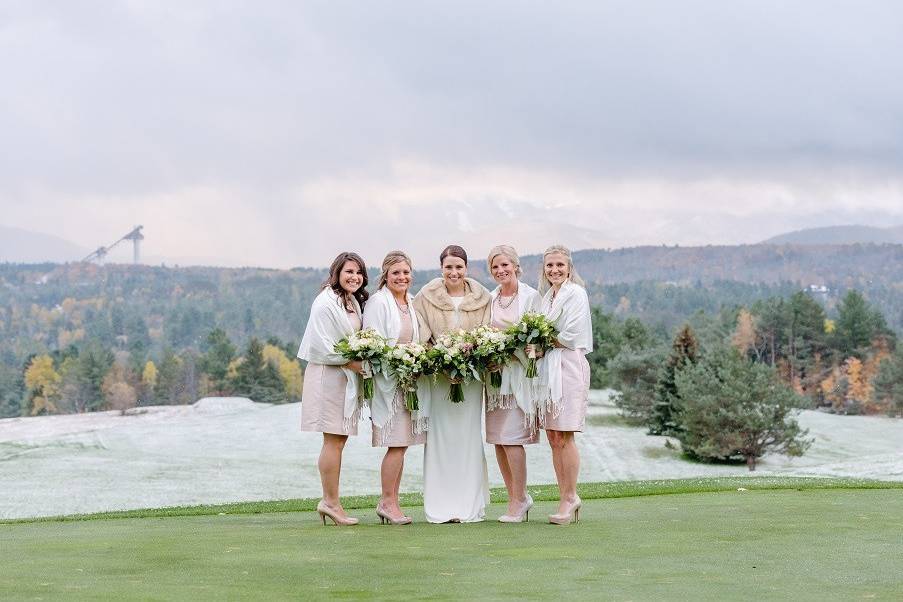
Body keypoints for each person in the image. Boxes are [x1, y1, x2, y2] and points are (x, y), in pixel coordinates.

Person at [412, 244, 491, 523]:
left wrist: (469, 357)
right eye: (449, 267)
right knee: (440, 437)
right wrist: (439, 359)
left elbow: (487, 334)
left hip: (470, 380)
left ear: (466, 268)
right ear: (441, 268)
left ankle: (469, 504)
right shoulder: (425, 296)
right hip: (439, 378)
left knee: (468, 436)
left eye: (459, 267)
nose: (454, 272)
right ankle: (440, 505)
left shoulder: (483, 298)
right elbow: (420, 333)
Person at [298, 252, 370, 526]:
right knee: (333, 440)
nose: (354, 277)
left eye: (359, 272)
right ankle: (330, 502)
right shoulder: (325, 303)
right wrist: (355, 363)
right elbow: (322, 347)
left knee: (339, 439)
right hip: (328, 377)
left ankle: (332, 501)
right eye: (348, 271)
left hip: (343, 376)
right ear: (336, 273)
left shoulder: (350, 301)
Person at [362, 251, 430, 525]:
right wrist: (399, 361)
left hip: (409, 382)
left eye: (406, 272)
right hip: (389, 383)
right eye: (396, 273)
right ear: (386, 276)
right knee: (397, 443)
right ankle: (387, 502)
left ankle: (391, 501)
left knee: (403, 444)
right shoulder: (379, 302)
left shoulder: (411, 303)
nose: (402, 277)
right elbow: (375, 344)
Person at [535, 245, 593, 525]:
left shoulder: (576, 294)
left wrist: (541, 340)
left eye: (560, 265)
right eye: (549, 266)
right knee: (553, 437)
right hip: (549, 369)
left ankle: (570, 497)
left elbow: (570, 334)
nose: (555, 270)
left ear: (569, 268)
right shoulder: (546, 298)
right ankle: (565, 496)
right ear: (544, 270)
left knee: (566, 435)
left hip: (568, 366)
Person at [484, 245, 542, 523]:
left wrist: (513, 353)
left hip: (519, 376)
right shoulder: (490, 298)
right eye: (495, 267)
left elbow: (537, 341)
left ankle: (519, 498)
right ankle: (515, 497)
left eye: (505, 265)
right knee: (498, 440)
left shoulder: (531, 297)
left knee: (512, 439)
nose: (500, 271)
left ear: (516, 266)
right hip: (495, 381)